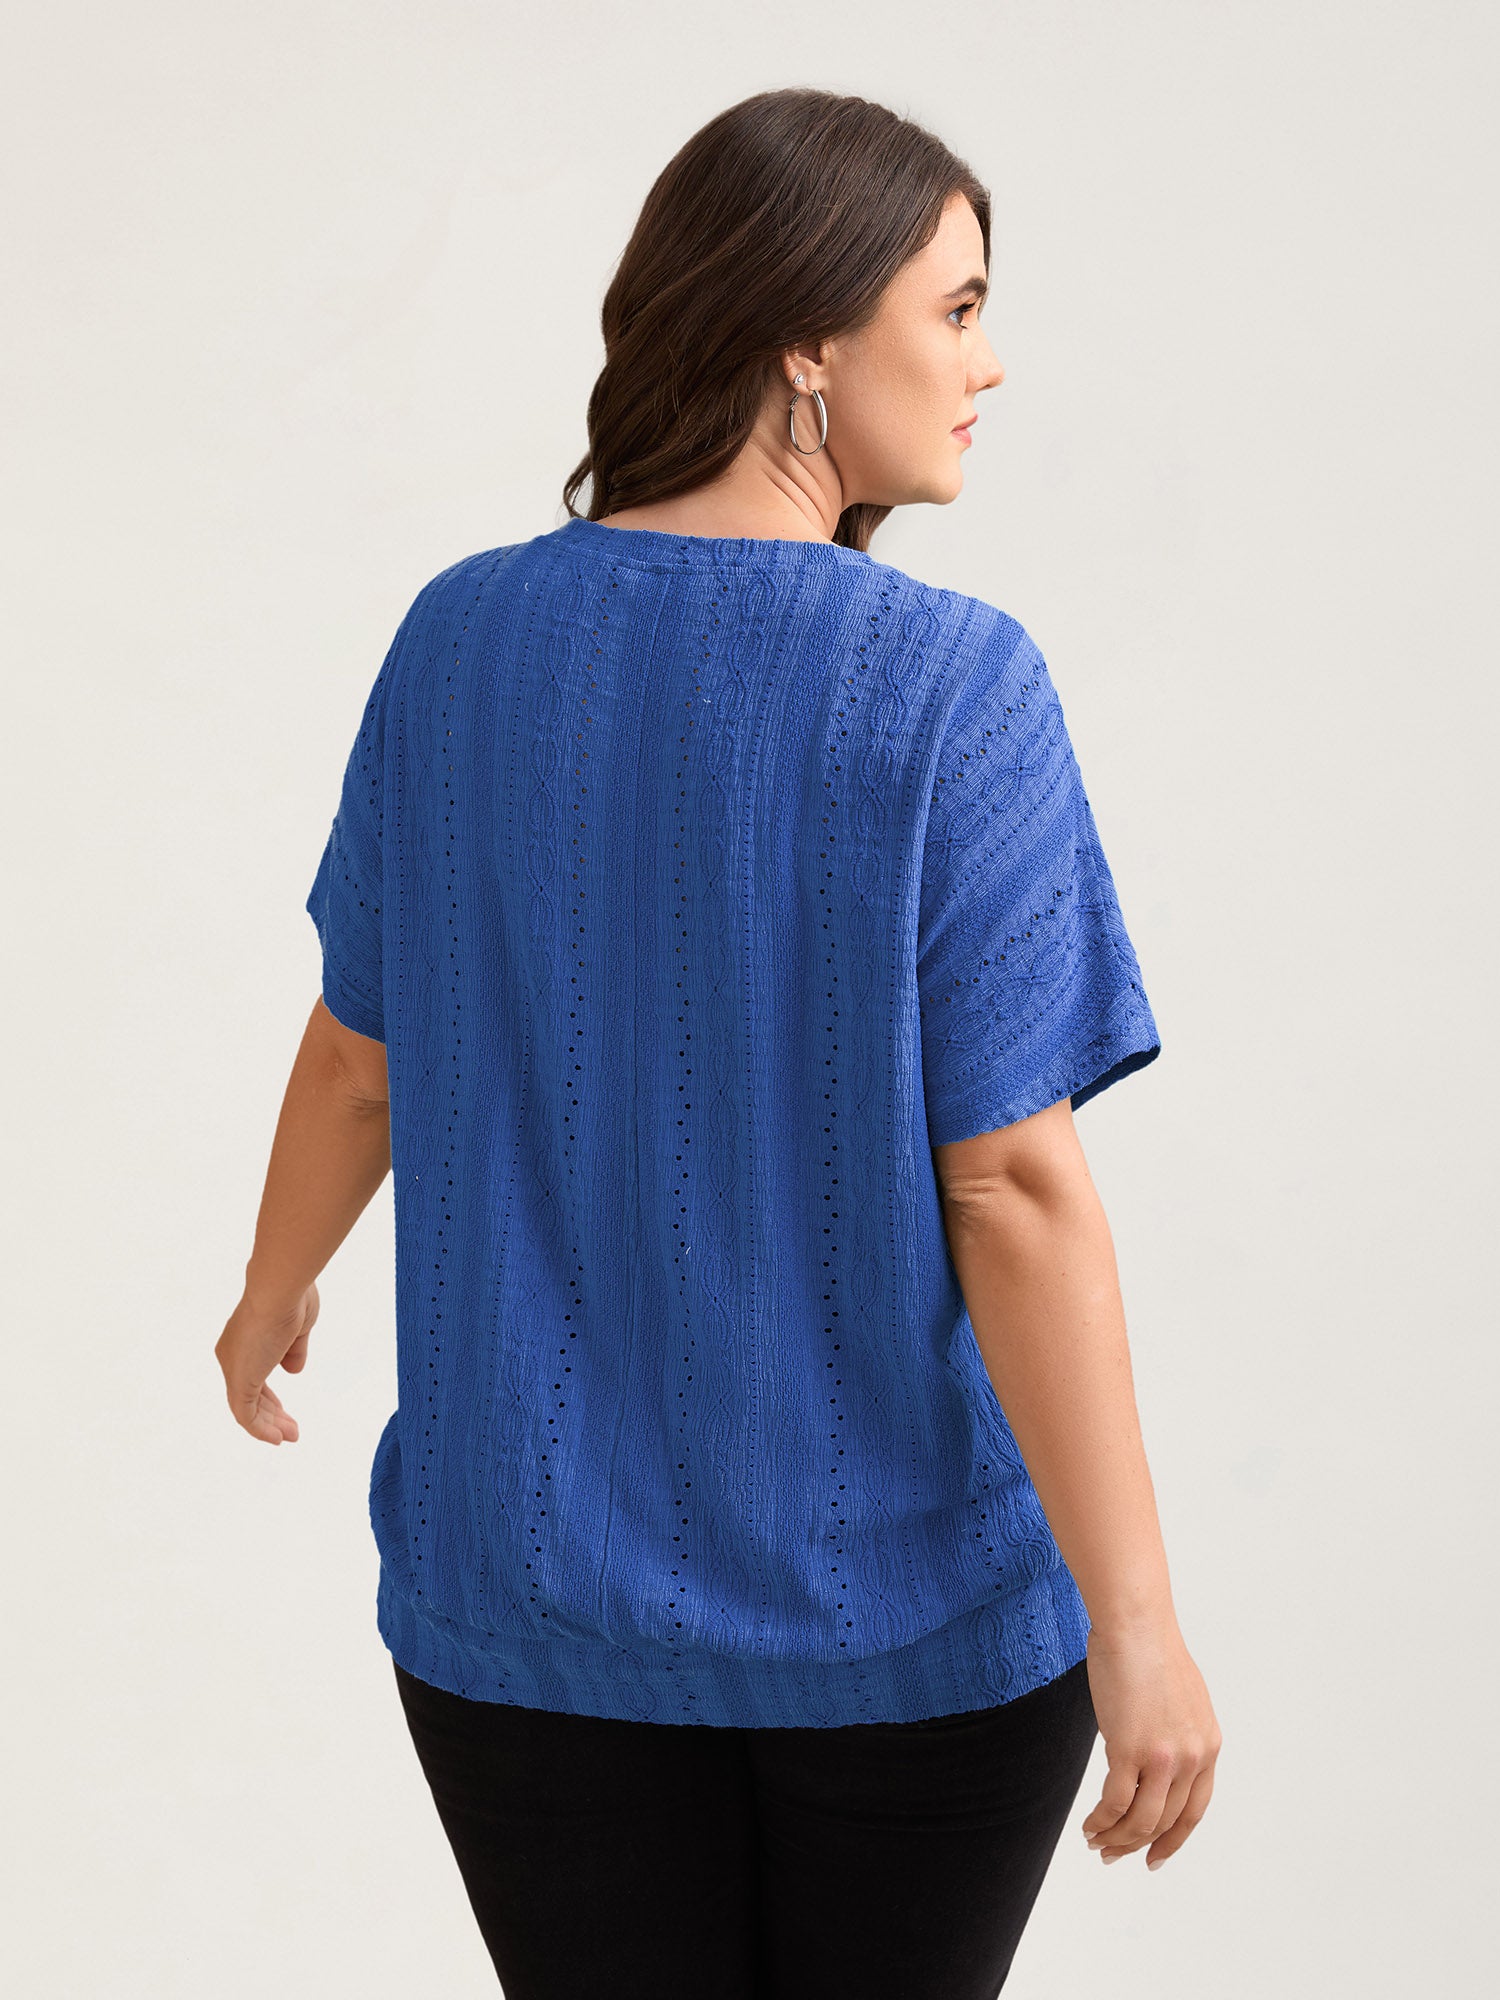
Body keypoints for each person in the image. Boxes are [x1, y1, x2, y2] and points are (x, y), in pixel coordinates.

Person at [217, 86, 1221, 2000]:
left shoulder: (458, 642)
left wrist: (273, 1287)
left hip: (528, 1614)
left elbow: (361, 1054)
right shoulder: (951, 686)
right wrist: (1139, 1620)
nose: (991, 361)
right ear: (805, 342)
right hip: (907, 1631)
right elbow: (1012, 1186)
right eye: (957, 308)